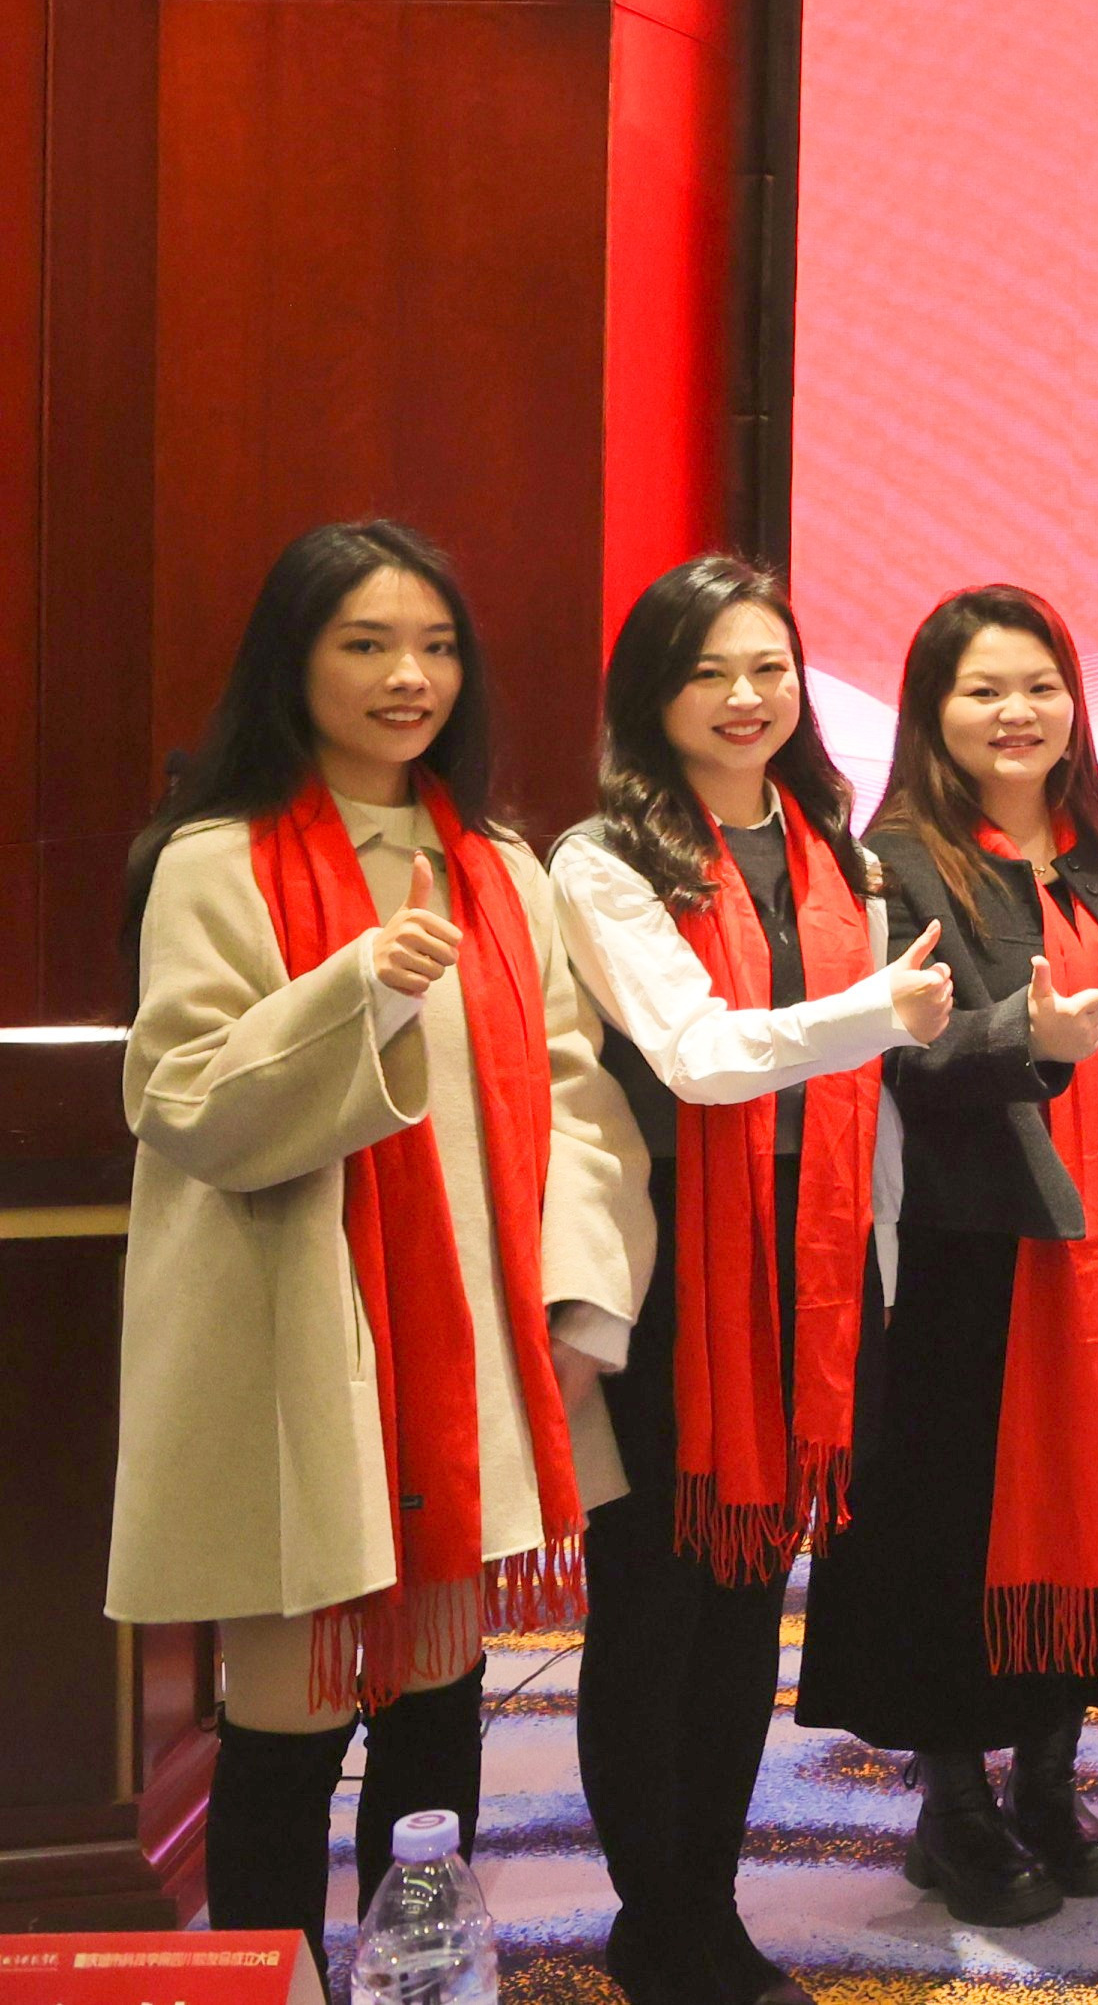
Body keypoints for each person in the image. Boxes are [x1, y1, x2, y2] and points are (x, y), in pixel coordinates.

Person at [109, 521, 652, 1978]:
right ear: (294, 663)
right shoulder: (217, 862)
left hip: (467, 1356)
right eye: (367, 644)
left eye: (436, 647)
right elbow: (183, 1100)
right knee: (287, 1729)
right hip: (298, 1353)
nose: (410, 676)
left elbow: (578, 1104)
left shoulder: (500, 869)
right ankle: (278, 1979)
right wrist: (360, 990)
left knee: (436, 1712)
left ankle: (419, 1975)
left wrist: (581, 1301)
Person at [551, 558, 955, 2005]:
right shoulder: (602, 861)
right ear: (652, 693)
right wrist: (873, 1014)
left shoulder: (833, 847)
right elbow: (697, 1054)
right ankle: (654, 1916)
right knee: (655, 1605)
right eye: (709, 670)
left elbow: (872, 1095)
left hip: (813, 1265)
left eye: (769, 667)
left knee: (743, 1608)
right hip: (678, 1278)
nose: (744, 697)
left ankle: (703, 1904)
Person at [794, 587, 1098, 1925]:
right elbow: (891, 1053)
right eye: (983, 690)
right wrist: (1022, 1042)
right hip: (965, 1261)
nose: (1016, 713)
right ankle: (954, 1803)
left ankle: (1047, 1773)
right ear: (934, 711)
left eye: (1039, 686)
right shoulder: (898, 864)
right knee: (950, 1530)